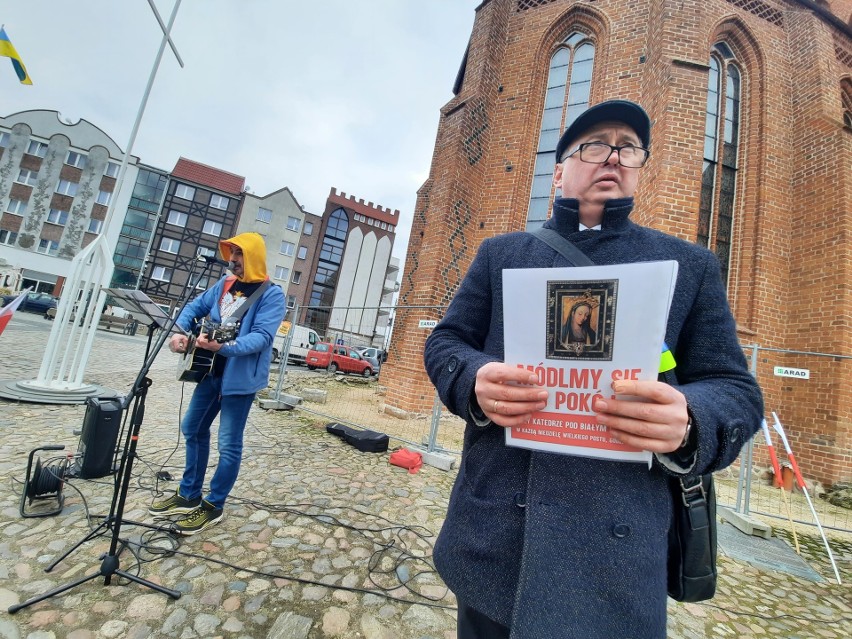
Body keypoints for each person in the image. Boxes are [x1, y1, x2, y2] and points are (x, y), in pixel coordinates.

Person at [423, 99, 763, 638]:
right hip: (497, 535)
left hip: (617, 557)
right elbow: (447, 342)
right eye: (594, 145)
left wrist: (692, 419)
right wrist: (473, 379)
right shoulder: (500, 254)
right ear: (559, 171)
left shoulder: (690, 266)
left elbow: (735, 390)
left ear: (637, 168)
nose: (613, 156)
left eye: (627, 147)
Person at [149, 232, 285, 535]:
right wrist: (179, 332)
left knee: (228, 444)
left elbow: (262, 337)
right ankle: (189, 494)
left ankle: (213, 505)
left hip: (239, 380)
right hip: (209, 371)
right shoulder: (223, 285)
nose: (232, 260)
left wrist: (222, 347)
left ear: (253, 256)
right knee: (192, 428)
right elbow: (192, 309)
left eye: (239, 254)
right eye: (231, 253)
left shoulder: (271, 294)